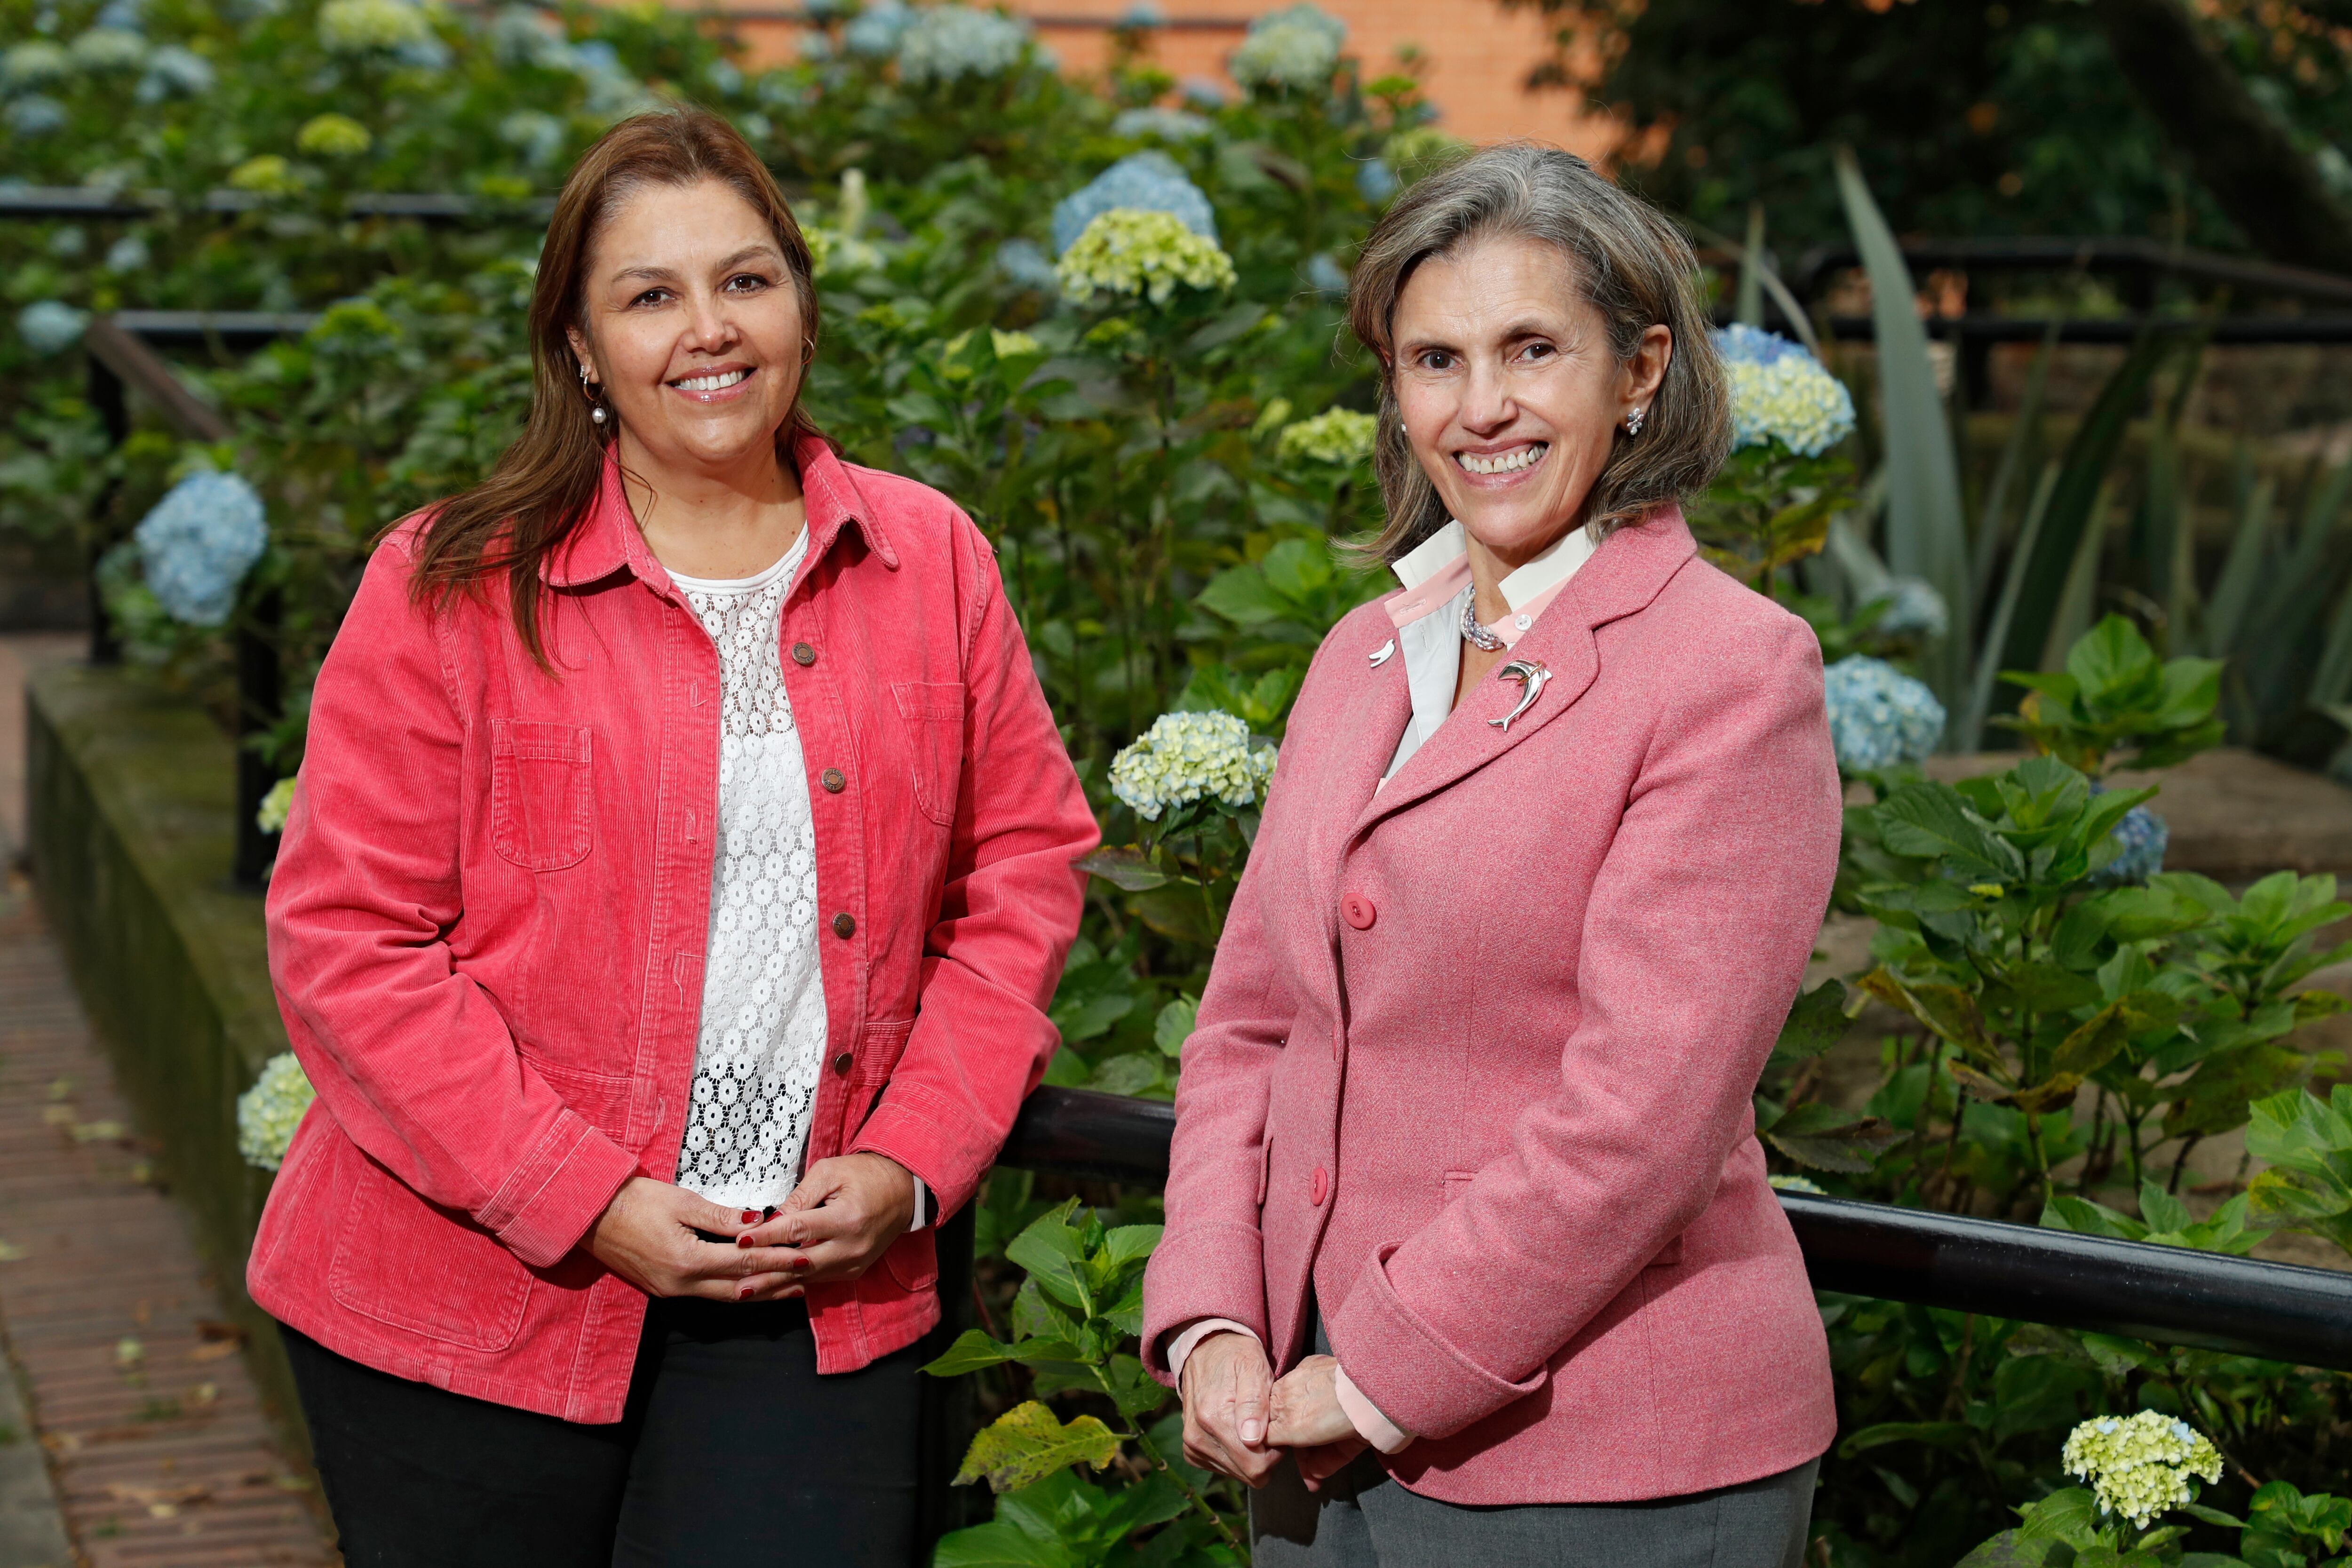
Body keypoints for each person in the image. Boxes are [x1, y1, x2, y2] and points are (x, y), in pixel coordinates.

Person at [247, 107, 1097, 1567]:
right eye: (651, 295)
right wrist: (580, 1199)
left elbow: (1018, 884)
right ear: (581, 347)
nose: (710, 329)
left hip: (810, 1292)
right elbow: (349, 941)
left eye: (745, 280)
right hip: (470, 1300)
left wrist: (913, 1162)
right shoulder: (452, 584)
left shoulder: (932, 561)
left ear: (800, 306)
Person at [1140, 143, 1843, 1567]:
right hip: (1304, 1428)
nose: (1482, 408)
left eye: (1533, 350)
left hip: (1608, 1466)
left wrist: (1381, 1372)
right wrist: (1213, 1313)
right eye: (1435, 361)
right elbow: (1251, 1028)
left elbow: (1645, 1115)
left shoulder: (1733, 670)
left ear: (1640, 369)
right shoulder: (1363, 654)